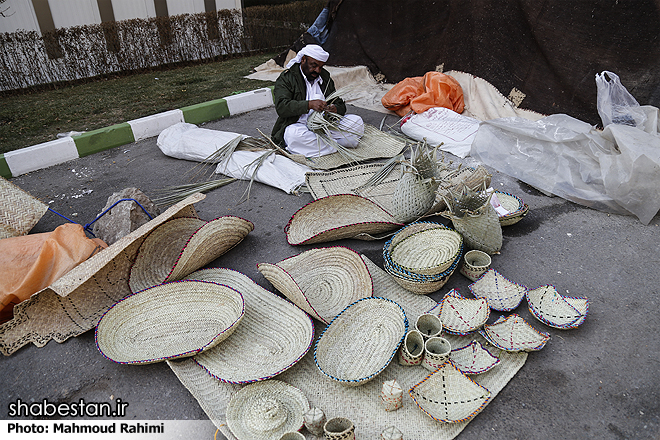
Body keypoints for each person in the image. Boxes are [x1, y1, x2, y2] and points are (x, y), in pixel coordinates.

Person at [271, 44, 364, 157]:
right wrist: (309, 105)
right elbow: (282, 107)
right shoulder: (287, 78)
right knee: (293, 136)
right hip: (299, 125)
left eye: (320, 67)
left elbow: (339, 103)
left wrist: (335, 109)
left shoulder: (324, 77)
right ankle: (339, 144)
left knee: (356, 122)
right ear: (303, 60)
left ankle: (323, 145)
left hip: (325, 125)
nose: (317, 70)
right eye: (313, 65)